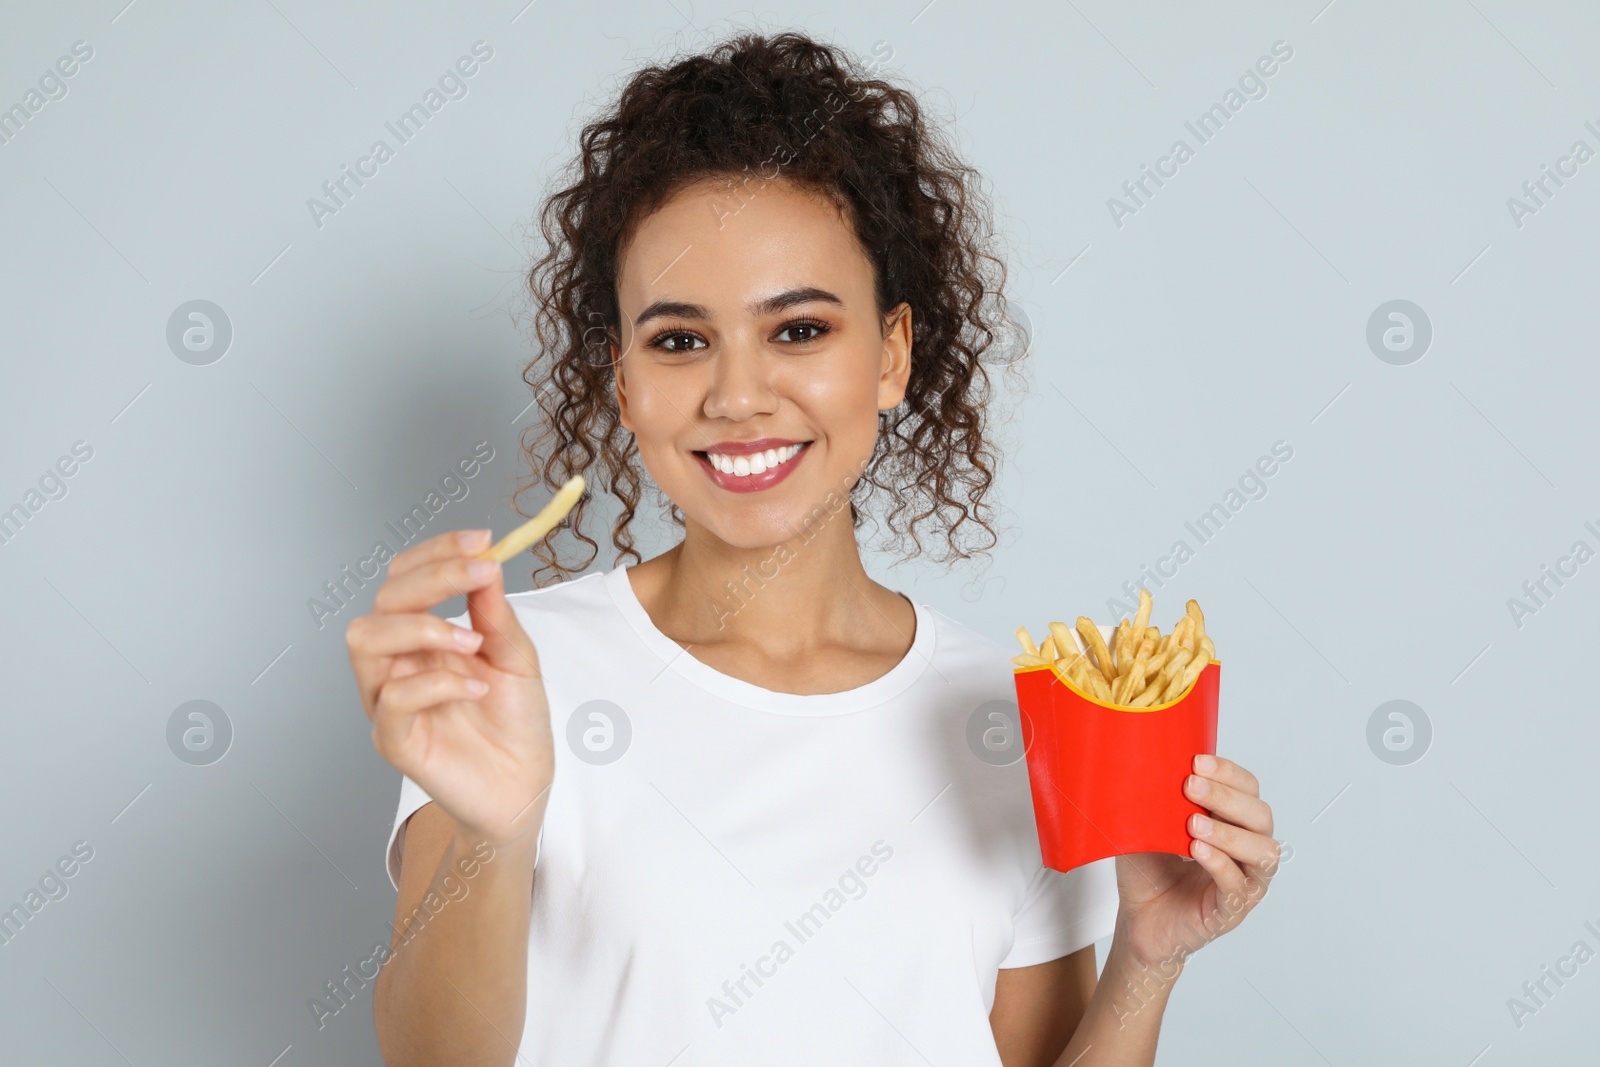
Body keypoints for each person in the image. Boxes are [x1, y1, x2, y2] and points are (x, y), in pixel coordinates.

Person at [344, 29, 1278, 1066]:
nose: (738, 396)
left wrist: (1146, 958)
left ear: (890, 355)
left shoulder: (1007, 717)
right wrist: (496, 832)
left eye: (798, 330)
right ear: (622, 382)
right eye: (679, 339)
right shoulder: (518, 675)